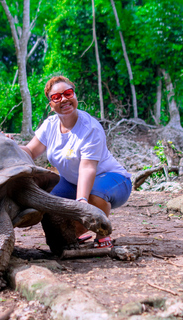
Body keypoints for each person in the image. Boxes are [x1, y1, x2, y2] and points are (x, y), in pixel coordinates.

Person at [18, 75, 132, 248]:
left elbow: (87, 168)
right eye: (56, 97)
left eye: (68, 93)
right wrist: (7, 146)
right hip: (73, 182)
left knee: (94, 195)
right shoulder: (50, 125)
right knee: (49, 203)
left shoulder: (90, 128)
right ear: (51, 104)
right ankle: (70, 236)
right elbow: (30, 151)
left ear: (75, 95)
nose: (64, 99)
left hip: (112, 179)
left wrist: (81, 201)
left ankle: (101, 233)